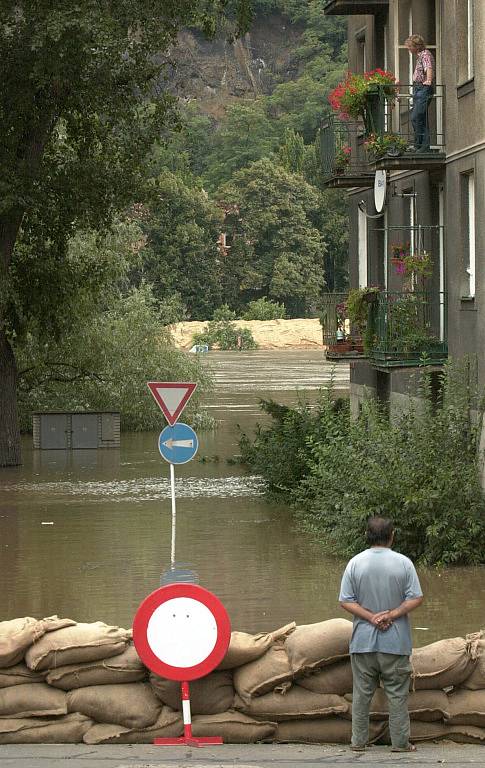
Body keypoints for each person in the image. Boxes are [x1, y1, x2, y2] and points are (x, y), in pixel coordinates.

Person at [339, 516, 423, 753]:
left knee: (361, 695)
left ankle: (358, 742)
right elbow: (416, 597)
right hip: (395, 643)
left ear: (367, 535)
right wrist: (391, 615)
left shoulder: (355, 563)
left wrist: (370, 617)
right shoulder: (404, 563)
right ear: (392, 536)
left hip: (363, 643)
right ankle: (400, 744)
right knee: (397, 696)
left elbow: (345, 600)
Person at [405, 34, 435, 151]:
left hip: (423, 88)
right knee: (418, 117)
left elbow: (429, 68)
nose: (409, 49)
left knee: (417, 116)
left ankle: (422, 146)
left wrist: (428, 80)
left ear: (416, 46)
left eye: (410, 46)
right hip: (418, 88)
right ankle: (419, 145)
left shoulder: (425, 54)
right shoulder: (420, 56)